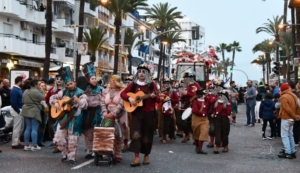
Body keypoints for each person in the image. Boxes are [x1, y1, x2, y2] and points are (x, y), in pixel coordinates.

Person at [120, 63, 159, 167]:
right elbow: (123, 93)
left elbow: (158, 99)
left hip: (149, 113)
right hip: (137, 113)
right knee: (136, 134)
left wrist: (154, 96)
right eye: (139, 71)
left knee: (147, 135)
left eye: (143, 72)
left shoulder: (152, 85)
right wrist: (129, 98)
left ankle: (146, 155)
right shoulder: (133, 84)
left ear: (147, 74)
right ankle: (136, 157)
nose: (141, 74)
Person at [50, 66, 88, 164]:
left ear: (74, 82)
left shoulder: (81, 92)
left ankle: (72, 157)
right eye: (67, 84)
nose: (69, 86)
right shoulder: (63, 92)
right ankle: (64, 154)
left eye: (71, 83)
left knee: (72, 138)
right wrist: (55, 103)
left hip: (74, 118)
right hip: (63, 117)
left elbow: (84, 104)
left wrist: (78, 101)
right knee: (61, 137)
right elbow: (52, 97)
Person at [100, 74, 127, 162]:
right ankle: (109, 151)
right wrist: (104, 112)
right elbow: (102, 103)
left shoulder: (123, 92)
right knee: (108, 133)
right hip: (108, 116)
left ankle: (118, 153)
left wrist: (114, 113)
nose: (110, 82)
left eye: (112, 81)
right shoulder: (106, 91)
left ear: (116, 82)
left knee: (119, 135)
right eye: (110, 81)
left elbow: (121, 105)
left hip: (119, 116)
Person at [82, 62, 103, 159]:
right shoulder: (84, 90)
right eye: (92, 79)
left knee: (98, 133)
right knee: (88, 133)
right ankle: (89, 151)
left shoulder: (101, 89)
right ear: (88, 80)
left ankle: (98, 151)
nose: (94, 80)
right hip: (88, 113)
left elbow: (103, 101)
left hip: (98, 113)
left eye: (95, 78)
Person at [278, 83, 300, 159]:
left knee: (284, 135)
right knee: (290, 135)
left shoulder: (284, 97)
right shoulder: (294, 95)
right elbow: (297, 106)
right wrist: (296, 116)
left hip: (286, 118)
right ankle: (292, 150)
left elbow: (287, 109)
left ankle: (288, 152)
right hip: (292, 119)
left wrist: (294, 116)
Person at [21, 80, 45, 151]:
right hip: (34, 110)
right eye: (38, 84)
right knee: (34, 129)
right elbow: (42, 97)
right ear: (35, 85)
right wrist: (41, 91)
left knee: (28, 128)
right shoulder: (36, 91)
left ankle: (26, 145)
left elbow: (23, 100)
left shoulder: (26, 91)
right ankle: (34, 145)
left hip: (26, 110)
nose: (39, 86)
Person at [44, 75, 64, 153]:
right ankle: (56, 144)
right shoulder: (52, 90)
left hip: (63, 112)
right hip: (53, 111)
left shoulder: (66, 90)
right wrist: (45, 105)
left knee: (62, 129)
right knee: (52, 127)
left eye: (61, 79)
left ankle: (62, 145)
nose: (59, 80)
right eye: (57, 79)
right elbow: (46, 99)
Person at [180, 71, 201, 143]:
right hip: (186, 105)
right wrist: (182, 96)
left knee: (193, 123)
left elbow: (197, 95)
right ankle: (186, 135)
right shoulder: (186, 86)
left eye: (185, 78)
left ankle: (195, 137)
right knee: (184, 122)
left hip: (193, 106)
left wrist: (187, 93)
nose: (184, 79)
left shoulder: (196, 85)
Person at [191, 89, 209, 154]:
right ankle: (197, 146)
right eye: (203, 94)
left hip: (204, 119)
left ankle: (200, 148)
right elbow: (194, 110)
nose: (205, 96)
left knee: (204, 132)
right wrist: (202, 113)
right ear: (201, 95)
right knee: (196, 133)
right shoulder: (196, 102)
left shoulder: (205, 101)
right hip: (197, 118)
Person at [10, 76, 24, 149]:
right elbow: (13, 103)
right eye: (22, 81)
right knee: (17, 127)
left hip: (18, 109)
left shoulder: (17, 89)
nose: (23, 83)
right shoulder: (15, 90)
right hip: (17, 110)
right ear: (19, 82)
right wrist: (18, 111)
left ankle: (17, 141)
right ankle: (15, 143)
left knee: (20, 127)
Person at [205, 83, 218, 148]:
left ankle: (219, 142)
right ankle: (212, 141)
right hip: (212, 112)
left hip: (220, 114)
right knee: (212, 128)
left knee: (219, 128)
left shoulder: (223, 96)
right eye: (210, 88)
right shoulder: (210, 96)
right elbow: (209, 103)